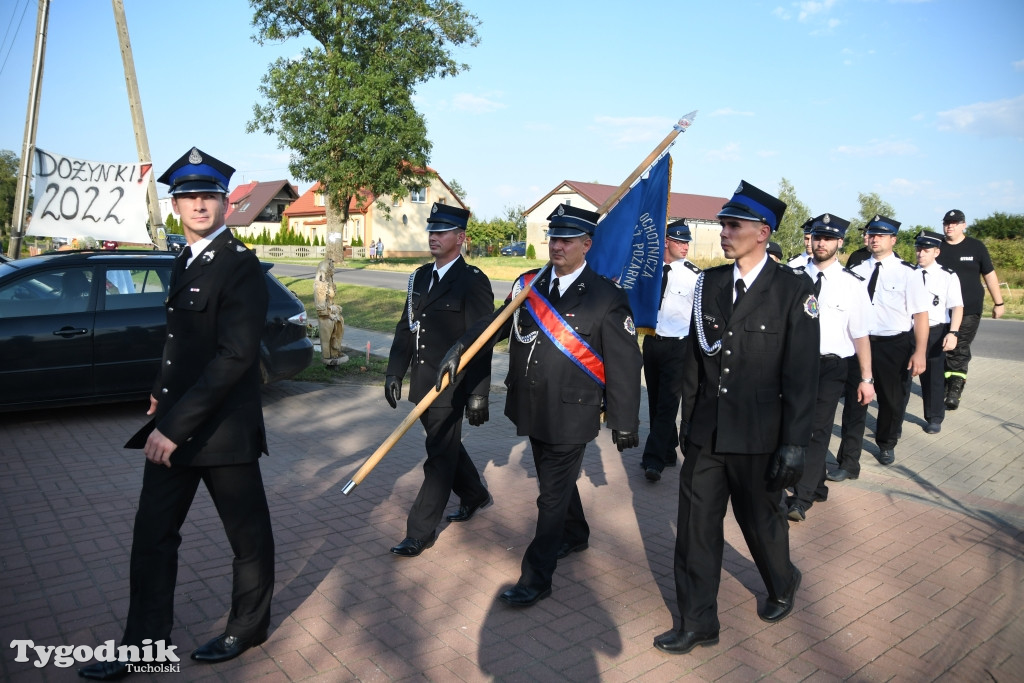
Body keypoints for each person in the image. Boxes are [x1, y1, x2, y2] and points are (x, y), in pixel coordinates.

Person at [79, 148, 274, 680]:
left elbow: (234, 357)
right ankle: (143, 643)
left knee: (247, 536)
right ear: (174, 204)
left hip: (223, 429)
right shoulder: (184, 260)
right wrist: (159, 394)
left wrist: (170, 425)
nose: (198, 204)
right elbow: (180, 344)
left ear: (225, 202)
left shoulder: (240, 267)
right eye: (187, 196)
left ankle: (248, 624)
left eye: (208, 194)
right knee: (152, 535)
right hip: (179, 421)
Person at [436, 204, 642, 607]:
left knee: (549, 496)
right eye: (553, 238)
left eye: (567, 239)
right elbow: (496, 323)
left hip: (573, 410)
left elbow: (624, 361)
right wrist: (460, 347)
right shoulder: (530, 284)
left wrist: (624, 419)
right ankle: (577, 533)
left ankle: (537, 577)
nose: (557, 245)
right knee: (554, 482)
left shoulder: (606, 297)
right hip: (533, 406)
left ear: (587, 244)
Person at [655, 181, 819, 655]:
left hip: (761, 435)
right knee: (695, 531)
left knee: (761, 522)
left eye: (734, 225)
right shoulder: (710, 283)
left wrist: (794, 443)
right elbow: (694, 361)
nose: (723, 232)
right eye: (723, 223)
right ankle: (698, 621)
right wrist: (686, 424)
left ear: (763, 232)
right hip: (708, 433)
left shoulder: (793, 289)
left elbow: (802, 374)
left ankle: (783, 580)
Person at [384, 203, 494, 558]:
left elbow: (483, 341)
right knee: (444, 445)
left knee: (438, 456)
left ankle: (419, 531)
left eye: (442, 231)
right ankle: (475, 494)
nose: (434, 236)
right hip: (422, 383)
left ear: (460, 238)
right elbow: (407, 329)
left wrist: (478, 392)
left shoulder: (473, 281)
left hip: (452, 385)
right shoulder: (419, 277)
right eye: (432, 230)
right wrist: (394, 372)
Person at [787, 213, 875, 522]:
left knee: (817, 429)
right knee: (790, 424)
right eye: (816, 237)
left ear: (839, 242)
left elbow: (860, 333)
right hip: (794, 364)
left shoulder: (851, 284)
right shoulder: (791, 274)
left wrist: (866, 378)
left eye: (827, 238)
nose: (820, 242)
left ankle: (802, 497)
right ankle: (816, 484)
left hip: (831, 366)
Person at [829, 215, 929, 482]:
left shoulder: (908, 273)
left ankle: (886, 442)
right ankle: (848, 462)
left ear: (893, 240)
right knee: (855, 402)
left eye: (881, 235)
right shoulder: (856, 270)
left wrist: (920, 352)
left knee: (892, 400)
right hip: (860, 344)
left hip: (893, 345)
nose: (874, 239)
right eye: (871, 235)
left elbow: (920, 315)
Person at [640, 220, 701, 482]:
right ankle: (666, 450)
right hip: (653, 342)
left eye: (687, 242)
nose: (685, 246)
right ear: (666, 242)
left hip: (679, 345)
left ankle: (653, 461)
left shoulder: (694, 275)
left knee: (667, 403)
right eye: (679, 241)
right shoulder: (650, 270)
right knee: (655, 400)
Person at [936, 209, 1004, 410]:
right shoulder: (937, 246)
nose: (950, 226)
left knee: (959, 348)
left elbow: (989, 275)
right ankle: (944, 384)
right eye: (947, 222)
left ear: (964, 225)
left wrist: (998, 303)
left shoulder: (976, 247)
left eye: (955, 223)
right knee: (941, 349)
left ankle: (954, 392)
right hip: (940, 310)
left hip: (969, 309)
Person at [915, 230, 964, 433]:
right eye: (918, 249)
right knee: (901, 378)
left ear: (936, 251)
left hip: (935, 330)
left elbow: (957, 307)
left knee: (934, 377)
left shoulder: (947, 276)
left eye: (926, 250)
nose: (920, 253)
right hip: (910, 331)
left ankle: (934, 416)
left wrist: (953, 333)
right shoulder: (908, 273)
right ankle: (894, 420)